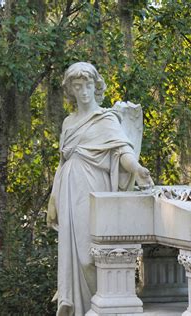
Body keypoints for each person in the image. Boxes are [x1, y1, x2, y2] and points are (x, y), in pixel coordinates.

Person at [47, 62, 153, 316]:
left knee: (89, 255)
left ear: (96, 87)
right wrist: (53, 198)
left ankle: (103, 306)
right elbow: (63, 163)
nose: (83, 91)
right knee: (72, 252)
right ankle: (79, 308)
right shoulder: (68, 122)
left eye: (88, 85)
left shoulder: (105, 118)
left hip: (92, 189)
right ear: (71, 89)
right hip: (68, 191)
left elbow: (122, 149)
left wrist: (137, 168)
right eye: (77, 86)